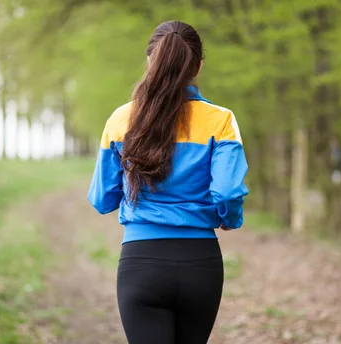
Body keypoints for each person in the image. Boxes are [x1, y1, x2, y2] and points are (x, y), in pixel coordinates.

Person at [87, 20, 249, 344]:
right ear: (198, 66)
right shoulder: (222, 121)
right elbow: (228, 192)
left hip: (140, 262)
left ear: (151, 59)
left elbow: (102, 198)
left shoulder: (122, 119)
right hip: (200, 263)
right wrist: (230, 219)